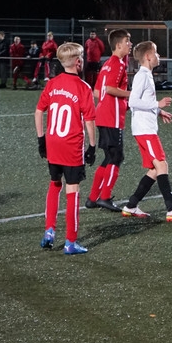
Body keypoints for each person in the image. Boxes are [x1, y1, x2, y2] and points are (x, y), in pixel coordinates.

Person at [35, 42, 97, 255]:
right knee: (73, 191)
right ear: (78, 62)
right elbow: (89, 121)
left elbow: (38, 111)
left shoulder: (52, 83)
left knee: (54, 184)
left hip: (52, 143)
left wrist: (41, 140)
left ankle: (49, 231)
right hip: (71, 146)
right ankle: (70, 242)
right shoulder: (83, 87)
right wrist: (92, 146)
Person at [121, 40, 172, 221]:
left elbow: (144, 101)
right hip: (145, 130)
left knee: (154, 170)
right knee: (162, 165)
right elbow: (133, 102)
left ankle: (131, 205)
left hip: (145, 129)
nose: (158, 56)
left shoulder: (146, 75)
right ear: (148, 56)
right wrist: (157, 104)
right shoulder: (142, 76)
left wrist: (159, 111)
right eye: (156, 52)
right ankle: (171, 209)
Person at [86, 29, 132, 212]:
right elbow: (111, 89)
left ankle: (92, 198)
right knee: (116, 157)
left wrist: (121, 103)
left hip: (103, 115)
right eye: (127, 41)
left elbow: (98, 92)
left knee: (109, 157)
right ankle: (104, 197)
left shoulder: (106, 64)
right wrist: (131, 95)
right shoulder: (118, 64)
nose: (130, 44)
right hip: (112, 117)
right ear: (119, 45)